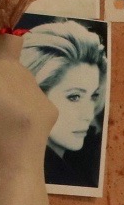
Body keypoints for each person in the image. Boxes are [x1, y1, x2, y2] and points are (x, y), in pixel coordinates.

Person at [18, 18, 106, 191]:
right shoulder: (29, 174)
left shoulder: (81, 168)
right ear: (34, 96)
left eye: (93, 96)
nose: (88, 115)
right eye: (74, 97)